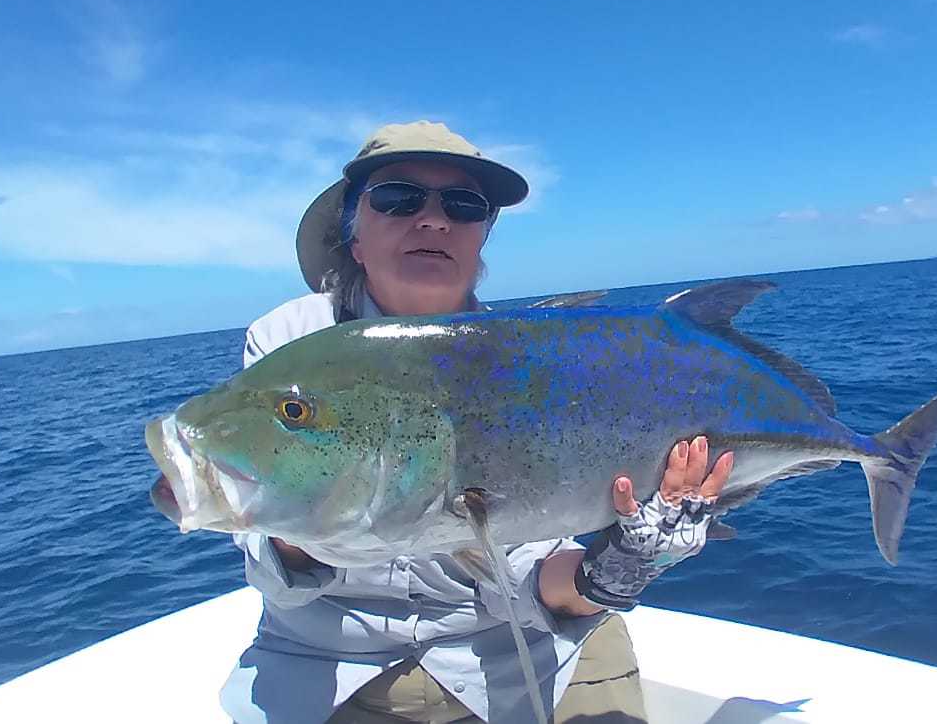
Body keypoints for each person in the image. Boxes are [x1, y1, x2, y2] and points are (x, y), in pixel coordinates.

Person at [216, 121, 735, 723]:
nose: (434, 220)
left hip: (521, 654)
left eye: (463, 206)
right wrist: (293, 516)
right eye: (399, 197)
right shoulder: (291, 344)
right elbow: (275, 565)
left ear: (480, 239)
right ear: (353, 237)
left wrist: (616, 569)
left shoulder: (523, 362)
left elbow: (524, 568)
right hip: (325, 665)